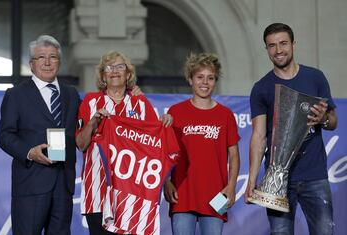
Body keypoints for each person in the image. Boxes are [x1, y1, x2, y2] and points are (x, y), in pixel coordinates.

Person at [244, 23, 338, 235]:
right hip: (278, 180)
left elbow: (333, 122)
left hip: (315, 176)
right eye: (272, 46)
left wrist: (323, 119)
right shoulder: (261, 88)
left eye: (283, 43)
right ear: (266, 49)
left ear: (293, 44)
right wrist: (252, 180)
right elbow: (259, 136)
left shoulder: (315, 78)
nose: (278, 50)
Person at [75, 51, 173, 234]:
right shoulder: (91, 101)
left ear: (128, 74)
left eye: (120, 67)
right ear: (103, 75)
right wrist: (93, 122)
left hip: (133, 194)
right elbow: (80, 144)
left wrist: (164, 121)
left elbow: (156, 147)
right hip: (97, 191)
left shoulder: (141, 105)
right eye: (109, 68)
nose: (114, 71)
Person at [0, 35, 80, 235]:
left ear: (59, 62)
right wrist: (29, 152)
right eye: (41, 57)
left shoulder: (71, 94)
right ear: (31, 64)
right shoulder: (16, 94)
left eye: (53, 57)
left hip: (63, 185)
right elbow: (5, 136)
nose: (47, 62)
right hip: (30, 183)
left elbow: (86, 124)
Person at [164, 53, 241, 235]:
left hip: (217, 196)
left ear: (215, 81)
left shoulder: (225, 115)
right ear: (190, 79)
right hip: (182, 195)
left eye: (210, 78)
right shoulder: (176, 112)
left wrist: (231, 187)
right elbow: (164, 153)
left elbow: (234, 156)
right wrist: (166, 182)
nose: (205, 82)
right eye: (200, 77)